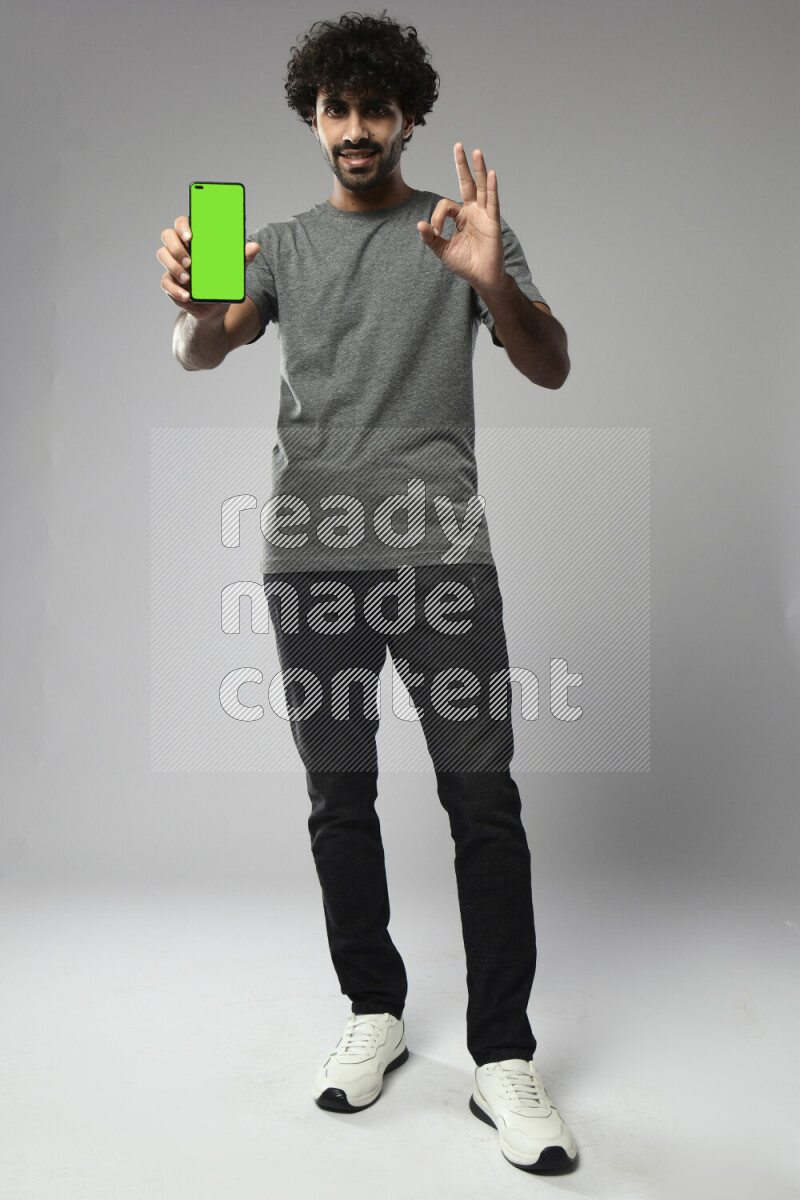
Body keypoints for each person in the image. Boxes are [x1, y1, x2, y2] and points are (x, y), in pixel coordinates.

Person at [158, 10, 577, 1176]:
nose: (355, 128)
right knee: (340, 799)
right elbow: (210, 348)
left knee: (479, 799)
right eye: (335, 109)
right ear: (313, 118)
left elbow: (546, 362)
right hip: (311, 558)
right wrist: (190, 309)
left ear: (406, 117)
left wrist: (493, 280)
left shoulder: (457, 233)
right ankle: (375, 1010)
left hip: (439, 556)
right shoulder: (276, 242)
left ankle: (501, 1056)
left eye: (374, 108)